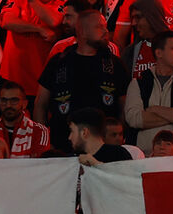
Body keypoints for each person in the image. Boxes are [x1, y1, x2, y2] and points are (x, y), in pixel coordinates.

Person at [34, 10, 130, 151]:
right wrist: (46, 143)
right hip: (62, 147)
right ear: (83, 32)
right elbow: (40, 105)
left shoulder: (115, 64)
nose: (106, 31)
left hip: (104, 149)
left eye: (105, 26)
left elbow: (124, 107)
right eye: (99, 27)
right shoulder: (59, 62)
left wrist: (118, 139)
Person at [125, 31, 173, 155]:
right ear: (159, 53)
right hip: (143, 158)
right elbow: (134, 119)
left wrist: (155, 109)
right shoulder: (138, 83)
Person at [0, 0, 63, 97]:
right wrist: (39, 29)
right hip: (12, 79)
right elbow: (7, 22)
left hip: (40, 83)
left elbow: (53, 20)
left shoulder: (58, 4)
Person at [0, 81, 50, 158]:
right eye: (4, 100)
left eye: (14, 100)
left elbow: (39, 163)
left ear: (25, 104)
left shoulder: (39, 131)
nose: (8, 105)